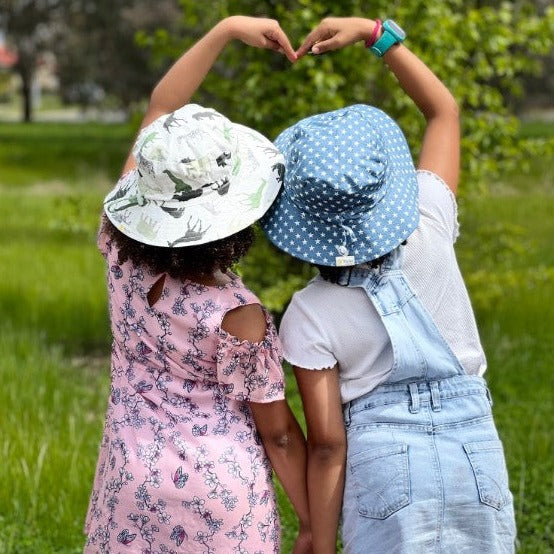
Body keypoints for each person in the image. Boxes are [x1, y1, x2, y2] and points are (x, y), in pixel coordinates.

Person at [261, 16, 516, 554]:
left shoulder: (309, 313)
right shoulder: (430, 221)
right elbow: (443, 111)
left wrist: (318, 537)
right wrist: (374, 31)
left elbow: (328, 446)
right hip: (476, 457)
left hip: (383, 470)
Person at [84, 16, 312, 553]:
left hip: (129, 479)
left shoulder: (117, 248)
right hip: (220, 502)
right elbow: (278, 433)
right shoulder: (238, 310)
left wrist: (225, 30)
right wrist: (312, 522)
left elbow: (160, 107)